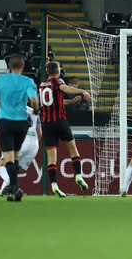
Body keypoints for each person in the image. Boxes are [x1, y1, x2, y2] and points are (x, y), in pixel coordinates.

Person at [0, 53, 39, 202]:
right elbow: (34, 101)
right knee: (15, 158)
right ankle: (14, 190)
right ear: (23, 66)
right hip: (21, 124)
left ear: (9, 66)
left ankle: (14, 188)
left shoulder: (1, 80)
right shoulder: (28, 81)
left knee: (8, 159)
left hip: (6, 121)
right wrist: (35, 110)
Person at [39, 61, 91, 197]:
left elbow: (53, 101)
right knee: (73, 149)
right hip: (60, 121)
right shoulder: (57, 82)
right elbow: (65, 88)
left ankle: (54, 185)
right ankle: (79, 176)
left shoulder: (42, 85)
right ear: (58, 72)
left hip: (46, 124)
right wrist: (82, 90)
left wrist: (70, 102)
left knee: (51, 159)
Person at [0, 106, 42, 197]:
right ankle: (2, 191)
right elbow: (39, 133)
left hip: (21, 141)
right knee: (14, 169)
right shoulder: (34, 111)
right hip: (34, 145)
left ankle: (10, 182)